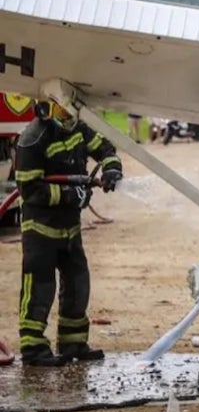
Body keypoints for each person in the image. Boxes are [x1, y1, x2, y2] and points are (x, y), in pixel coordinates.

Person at [14, 99, 122, 366]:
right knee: (40, 285)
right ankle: (33, 347)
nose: (68, 115)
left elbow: (105, 147)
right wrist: (69, 194)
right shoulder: (32, 139)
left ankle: (73, 343)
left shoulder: (78, 129)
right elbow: (30, 190)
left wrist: (112, 168)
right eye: (62, 110)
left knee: (78, 283)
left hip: (70, 228)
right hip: (40, 228)